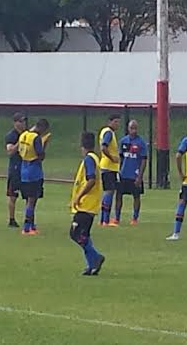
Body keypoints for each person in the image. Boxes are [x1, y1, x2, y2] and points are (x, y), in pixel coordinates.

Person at [70, 132, 106, 276]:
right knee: (84, 235)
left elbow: (91, 180)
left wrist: (79, 195)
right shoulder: (95, 158)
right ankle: (91, 265)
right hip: (89, 205)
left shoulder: (89, 160)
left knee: (75, 233)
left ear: (82, 145)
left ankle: (96, 257)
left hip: (86, 205)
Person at [18, 119, 49, 235]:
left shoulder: (23, 135)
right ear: (42, 128)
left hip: (23, 170)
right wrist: (44, 144)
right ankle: (27, 227)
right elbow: (40, 155)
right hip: (34, 172)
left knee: (28, 200)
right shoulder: (36, 138)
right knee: (32, 201)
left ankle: (31, 225)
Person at [116, 120, 148, 225]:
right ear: (128, 129)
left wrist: (140, 176)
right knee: (119, 195)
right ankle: (117, 218)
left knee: (136, 196)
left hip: (134, 175)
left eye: (135, 128)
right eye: (131, 128)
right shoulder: (123, 141)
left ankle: (135, 218)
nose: (133, 131)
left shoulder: (141, 143)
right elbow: (120, 157)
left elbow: (144, 160)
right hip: (124, 174)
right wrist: (119, 171)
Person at [4, 112, 28, 228]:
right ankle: (12, 219)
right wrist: (21, 141)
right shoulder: (11, 135)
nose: (23, 124)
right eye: (20, 121)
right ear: (15, 123)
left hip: (26, 167)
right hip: (15, 168)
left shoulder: (27, 134)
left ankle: (28, 220)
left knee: (29, 195)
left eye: (23, 121)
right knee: (13, 196)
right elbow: (10, 151)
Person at [99, 114, 122, 227]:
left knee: (108, 192)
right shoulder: (108, 133)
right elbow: (103, 147)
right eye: (115, 122)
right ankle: (105, 220)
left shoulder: (106, 131)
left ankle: (103, 219)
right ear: (110, 121)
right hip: (109, 167)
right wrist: (112, 158)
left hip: (107, 167)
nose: (117, 124)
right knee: (109, 192)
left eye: (118, 122)